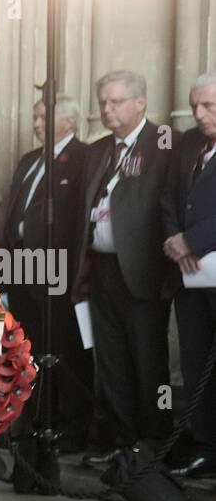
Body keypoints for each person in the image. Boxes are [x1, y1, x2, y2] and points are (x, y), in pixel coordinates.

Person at [72, 70, 177, 461]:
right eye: (103, 102)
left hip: (144, 272)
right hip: (100, 270)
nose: (107, 109)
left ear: (140, 103)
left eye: (116, 101)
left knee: (149, 362)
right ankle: (119, 438)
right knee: (111, 360)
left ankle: (153, 440)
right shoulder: (98, 150)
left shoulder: (164, 143)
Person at [0, 96, 92, 451]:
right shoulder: (29, 160)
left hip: (59, 269)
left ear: (68, 120)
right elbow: (13, 215)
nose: (36, 123)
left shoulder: (84, 158)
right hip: (22, 265)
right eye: (35, 116)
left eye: (43, 117)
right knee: (29, 346)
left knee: (65, 347)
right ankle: (38, 419)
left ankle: (71, 426)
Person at [164, 71, 216, 483]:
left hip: (204, 258)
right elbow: (167, 196)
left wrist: (193, 240)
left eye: (209, 106)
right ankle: (203, 444)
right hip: (190, 276)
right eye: (195, 105)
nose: (199, 114)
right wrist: (174, 238)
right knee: (196, 359)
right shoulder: (188, 144)